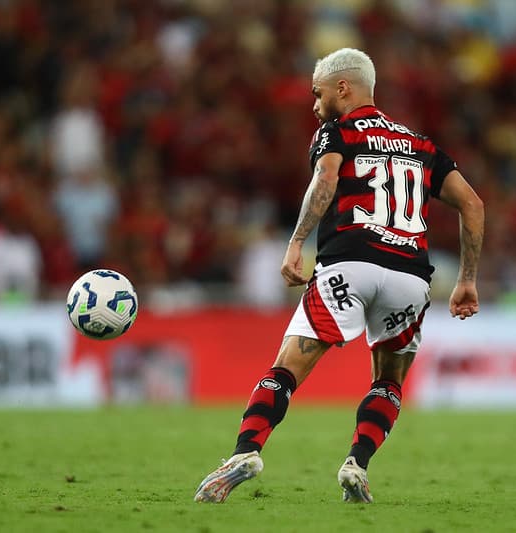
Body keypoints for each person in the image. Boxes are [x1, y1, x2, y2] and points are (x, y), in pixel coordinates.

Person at [194, 47, 484, 504]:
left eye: (318, 93)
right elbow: (473, 204)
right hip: (410, 278)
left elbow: (326, 179)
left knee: (286, 370)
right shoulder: (421, 145)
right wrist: (466, 278)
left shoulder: (337, 132)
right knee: (388, 382)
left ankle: (245, 452)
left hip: (349, 264)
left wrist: (296, 242)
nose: (315, 104)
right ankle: (356, 465)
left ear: (342, 88)